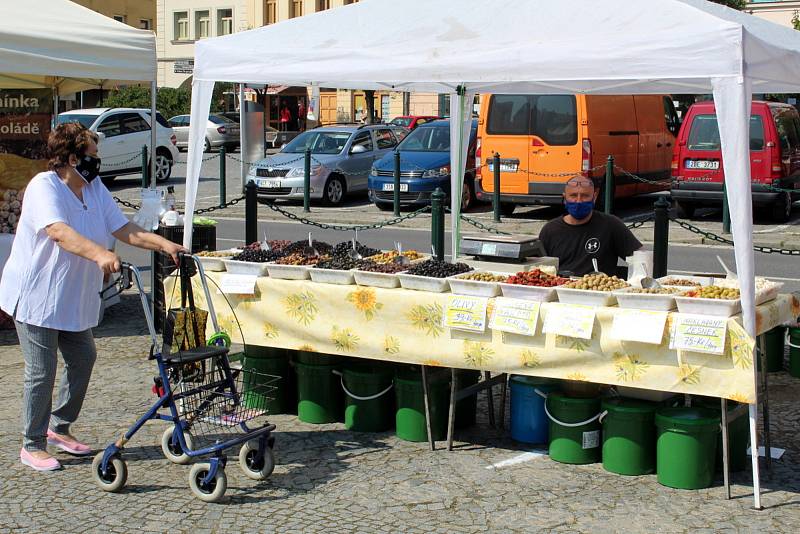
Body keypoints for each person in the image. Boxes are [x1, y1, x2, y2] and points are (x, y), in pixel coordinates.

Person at [0, 123, 187, 472]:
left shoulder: (93, 186)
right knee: (42, 371)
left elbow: (121, 228)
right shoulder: (45, 186)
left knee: (83, 357)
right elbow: (59, 232)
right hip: (37, 294)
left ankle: (59, 427)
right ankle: (31, 444)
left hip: (71, 297)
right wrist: (100, 255)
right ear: (72, 158)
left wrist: (164, 244)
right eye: (93, 156)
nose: (97, 162)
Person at [539, 176, 641, 276]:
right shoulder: (550, 230)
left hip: (601, 289)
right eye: (573, 195)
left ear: (594, 197)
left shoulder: (611, 225)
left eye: (585, 196)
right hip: (561, 289)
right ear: (565, 198)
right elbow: (537, 269)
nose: (579, 201)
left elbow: (640, 258)